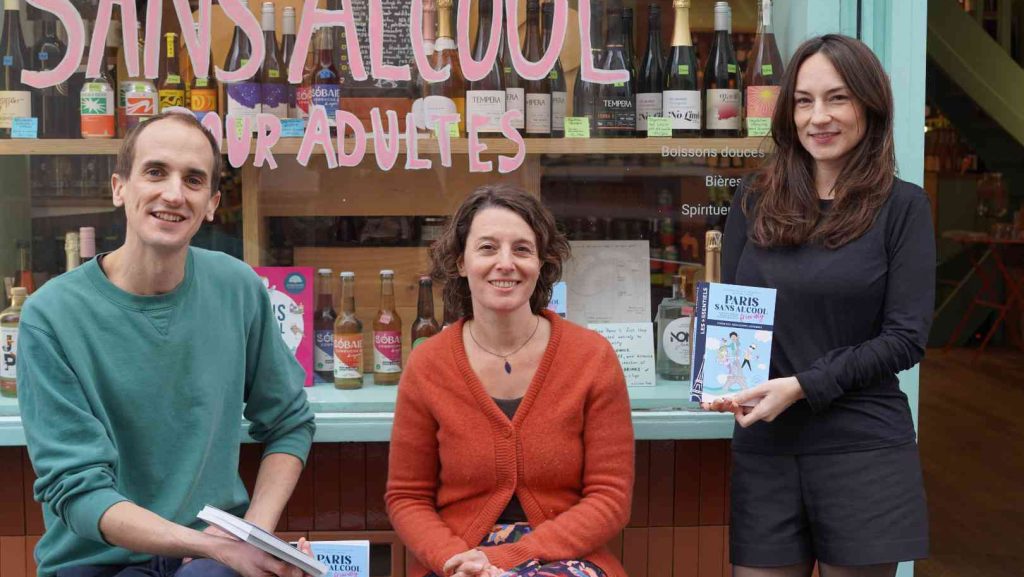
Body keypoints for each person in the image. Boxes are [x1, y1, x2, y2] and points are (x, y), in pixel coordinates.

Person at [17, 111, 317, 577]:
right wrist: (217, 548)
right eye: (155, 172)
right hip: (97, 563)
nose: (174, 194)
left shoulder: (237, 288)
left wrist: (250, 537)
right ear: (120, 187)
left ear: (212, 203)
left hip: (208, 562)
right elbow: (80, 495)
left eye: (193, 180)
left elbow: (289, 422)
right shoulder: (50, 317)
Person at [708, 34, 935, 577]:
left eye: (837, 98)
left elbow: (905, 338)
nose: (819, 117)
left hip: (862, 449)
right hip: (766, 450)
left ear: (869, 105)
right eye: (804, 101)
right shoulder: (753, 198)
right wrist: (721, 378)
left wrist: (803, 385)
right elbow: (737, 311)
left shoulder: (902, 207)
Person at [385, 185, 635, 577]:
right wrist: (456, 560)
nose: (506, 263)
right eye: (487, 248)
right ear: (461, 263)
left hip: (563, 558)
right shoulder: (427, 364)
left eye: (522, 249)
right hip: (457, 560)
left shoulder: (591, 357)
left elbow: (610, 498)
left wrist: (509, 558)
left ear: (541, 263)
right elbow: (407, 498)